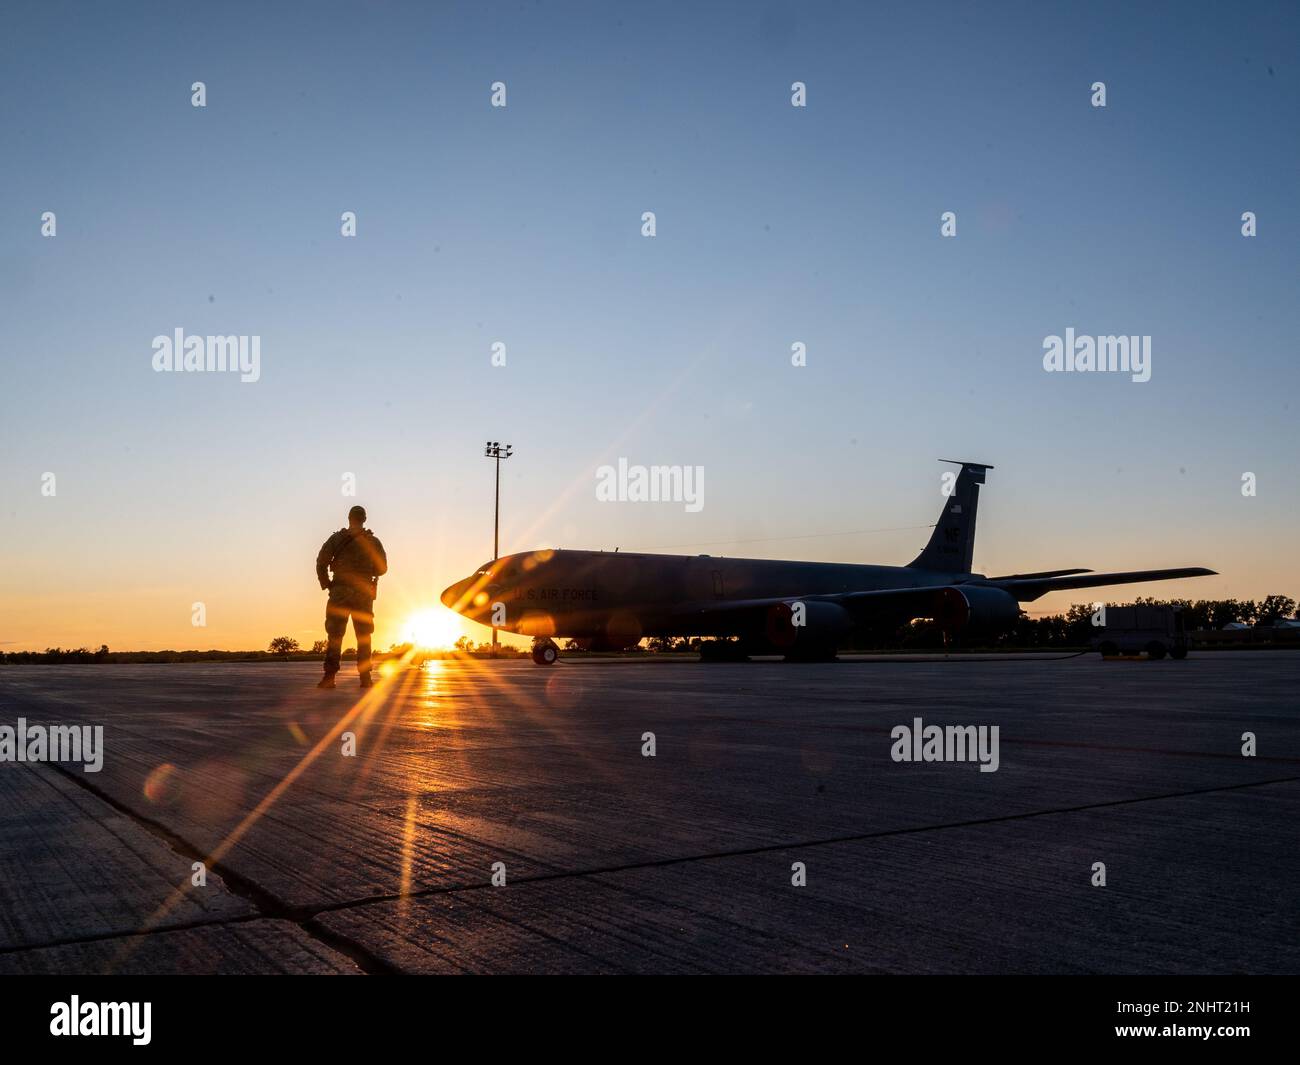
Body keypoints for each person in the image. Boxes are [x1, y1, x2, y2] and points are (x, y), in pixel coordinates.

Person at [315, 505, 387, 688]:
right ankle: (365, 678)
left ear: (349, 518)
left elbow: (321, 562)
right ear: (364, 519)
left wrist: (328, 584)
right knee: (364, 636)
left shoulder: (336, 539)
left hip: (340, 592)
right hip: (363, 594)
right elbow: (382, 569)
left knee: (335, 635)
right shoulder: (373, 542)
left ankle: (329, 678)